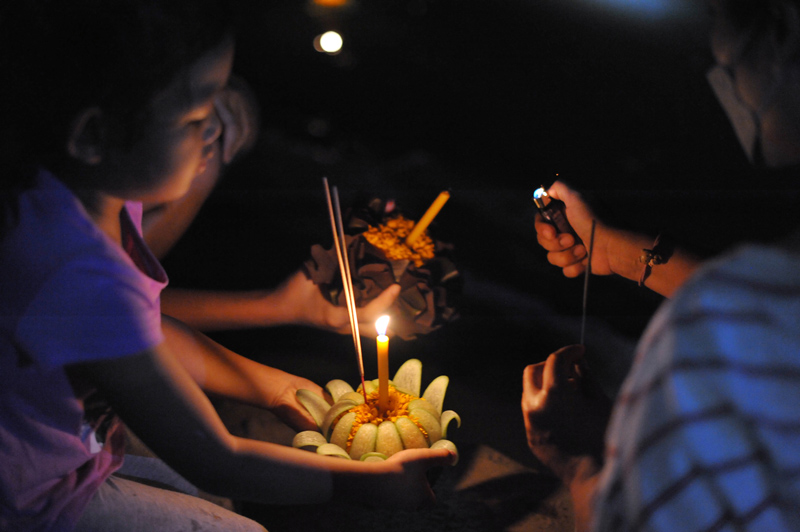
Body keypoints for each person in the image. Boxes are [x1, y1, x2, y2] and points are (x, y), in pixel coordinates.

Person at [0, 2, 454, 531]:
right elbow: (214, 457)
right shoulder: (76, 268)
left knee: (205, 500)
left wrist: (271, 387)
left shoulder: (65, 205)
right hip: (26, 500)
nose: (215, 129)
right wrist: (365, 482)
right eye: (195, 117)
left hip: (51, 463)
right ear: (93, 136)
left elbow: (145, 333)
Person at [523, 0, 800, 530]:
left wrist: (583, 466)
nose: (723, 74)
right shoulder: (758, 301)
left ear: (781, 32)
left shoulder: (727, 318)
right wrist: (618, 252)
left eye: (717, 25)